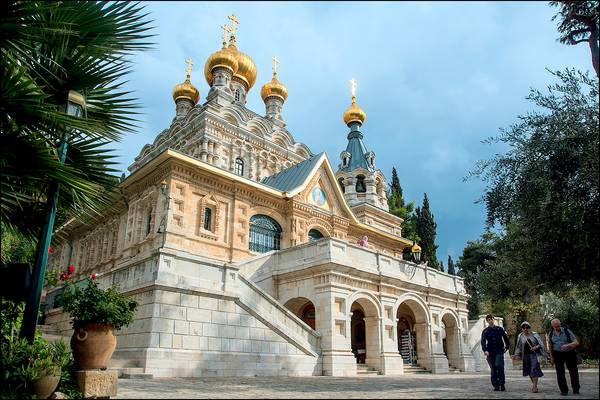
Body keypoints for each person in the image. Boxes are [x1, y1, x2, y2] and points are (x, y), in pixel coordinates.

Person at [547, 318, 580, 395]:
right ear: (552, 326)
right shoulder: (551, 333)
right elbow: (550, 346)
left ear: (560, 324)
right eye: (555, 327)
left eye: (558, 326)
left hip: (569, 353)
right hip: (558, 354)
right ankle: (564, 390)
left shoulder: (566, 331)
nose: (557, 328)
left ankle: (576, 388)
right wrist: (551, 357)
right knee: (560, 373)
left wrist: (568, 345)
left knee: (573, 371)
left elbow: (576, 342)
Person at [512, 321, 547, 393]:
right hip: (525, 356)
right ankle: (534, 384)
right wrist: (516, 355)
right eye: (523, 327)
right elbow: (518, 347)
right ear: (522, 329)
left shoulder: (535, 335)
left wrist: (535, 347)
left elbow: (541, 344)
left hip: (534, 355)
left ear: (529, 328)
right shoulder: (520, 336)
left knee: (534, 369)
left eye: (527, 327)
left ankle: (535, 386)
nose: (525, 329)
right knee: (529, 371)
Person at [481, 314, 510, 391]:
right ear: (487, 321)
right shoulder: (485, 331)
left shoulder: (499, 329)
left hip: (499, 350)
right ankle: (495, 385)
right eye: (489, 319)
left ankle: (502, 383)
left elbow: (505, 338)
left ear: (494, 320)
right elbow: (483, 342)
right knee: (493, 368)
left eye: (491, 319)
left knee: (499, 366)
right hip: (490, 352)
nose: (490, 320)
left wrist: (507, 347)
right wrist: (485, 350)